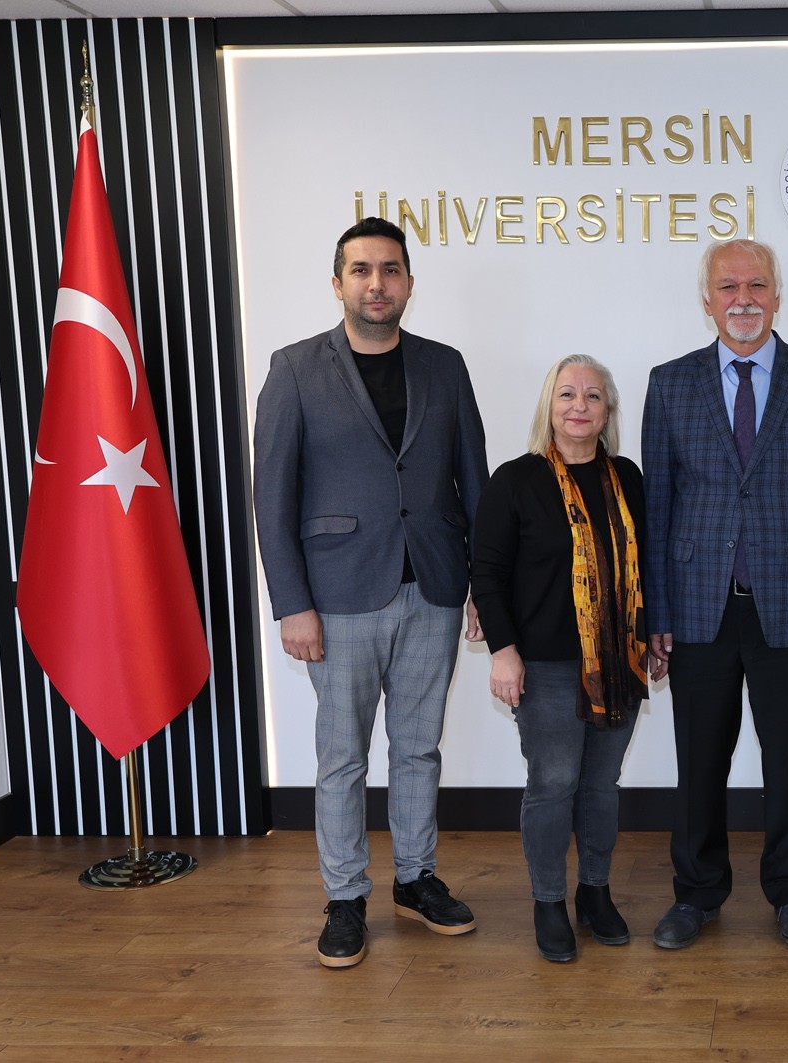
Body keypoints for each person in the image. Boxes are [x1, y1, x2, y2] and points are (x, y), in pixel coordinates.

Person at [253, 217, 489, 969]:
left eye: (390, 270)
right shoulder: (294, 369)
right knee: (342, 757)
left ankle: (415, 878)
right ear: (338, 283)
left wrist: (485, 585)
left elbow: (475, 481)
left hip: (435, 586)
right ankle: (346, 895)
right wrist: (292, 602)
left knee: (418, 748)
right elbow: (271, 497)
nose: (376, 284)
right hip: (338, 595)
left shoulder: (445, 366)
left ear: (409, 283)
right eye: (361, 270)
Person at [640, 239, 788, 950]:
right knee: (699, 760)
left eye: (757, 285)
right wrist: (656, 614)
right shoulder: (670, 383)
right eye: (728, 286)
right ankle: (696, 892)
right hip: (696, 606)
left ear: (777, 296)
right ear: (707, 300)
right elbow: (657, 508)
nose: (743, 299)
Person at [471, 354, 664, 963]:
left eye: (593, 396)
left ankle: (595, 893)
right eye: (567, 394)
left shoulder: (627, 478)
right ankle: (549, 901)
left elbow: (649, 564)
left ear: (607, 412)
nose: (579, 405)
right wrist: (504, 653)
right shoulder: (515, 480)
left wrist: (654, 634)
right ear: (548, 407)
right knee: (553, 784)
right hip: (546, 664)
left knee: (601, 786)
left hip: (618, 661)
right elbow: (487, 573)